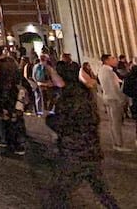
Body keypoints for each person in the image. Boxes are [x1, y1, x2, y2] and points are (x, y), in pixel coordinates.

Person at [42, 63, 120, 209]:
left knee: (57, 195)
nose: (53, 78)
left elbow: (63, 125)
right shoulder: (82, 93)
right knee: (102, 192)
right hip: (90, 151)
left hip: (75, 153)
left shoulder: (69, 98)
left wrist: (50, 119)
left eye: (55, 75)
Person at [97, 54, 130, 153]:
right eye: (112, 59)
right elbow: (114, 87)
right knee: (116, 123)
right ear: (106, 61)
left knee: (113, 123)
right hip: (113, 99)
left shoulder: (103, 71)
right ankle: (118, 144)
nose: (115, 60)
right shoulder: (108, 72)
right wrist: (121, 99)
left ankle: (117, 143)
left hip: (109, 98)